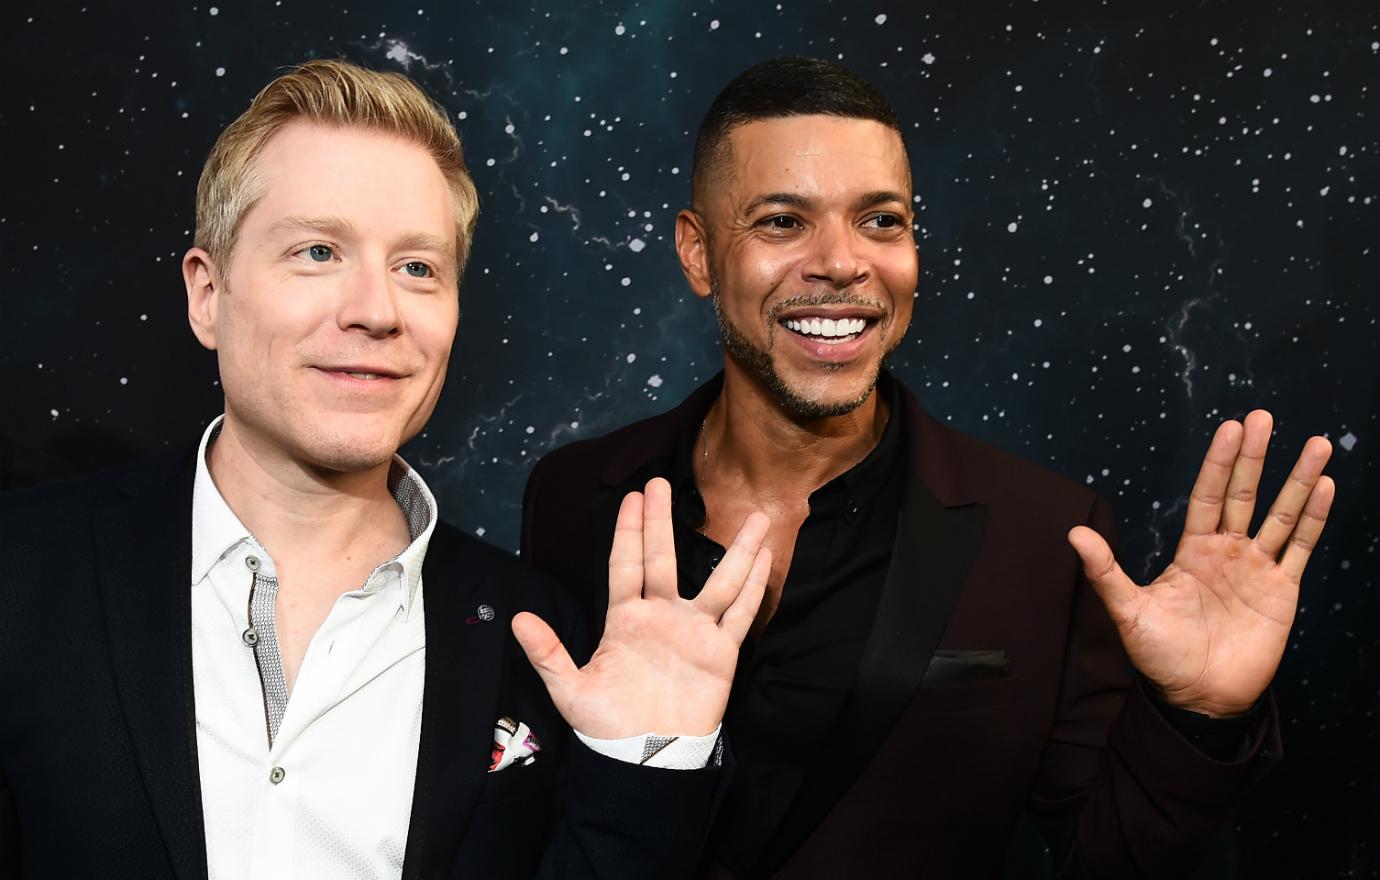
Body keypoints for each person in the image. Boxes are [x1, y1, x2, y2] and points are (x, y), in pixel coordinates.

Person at [521, 57, 1336, 878]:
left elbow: (1109, 859)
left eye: (880, 221)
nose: (842, 263)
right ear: (698, 255)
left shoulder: (1048, 537)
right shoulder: (571, 496)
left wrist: (1197, 716)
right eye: (781, 222)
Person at [0, 59, 774, 879]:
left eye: (417, 268)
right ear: (206, 295)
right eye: (318, 250)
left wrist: (645, 766)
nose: (375, 310)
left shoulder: (539, 635)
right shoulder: (21, 570)